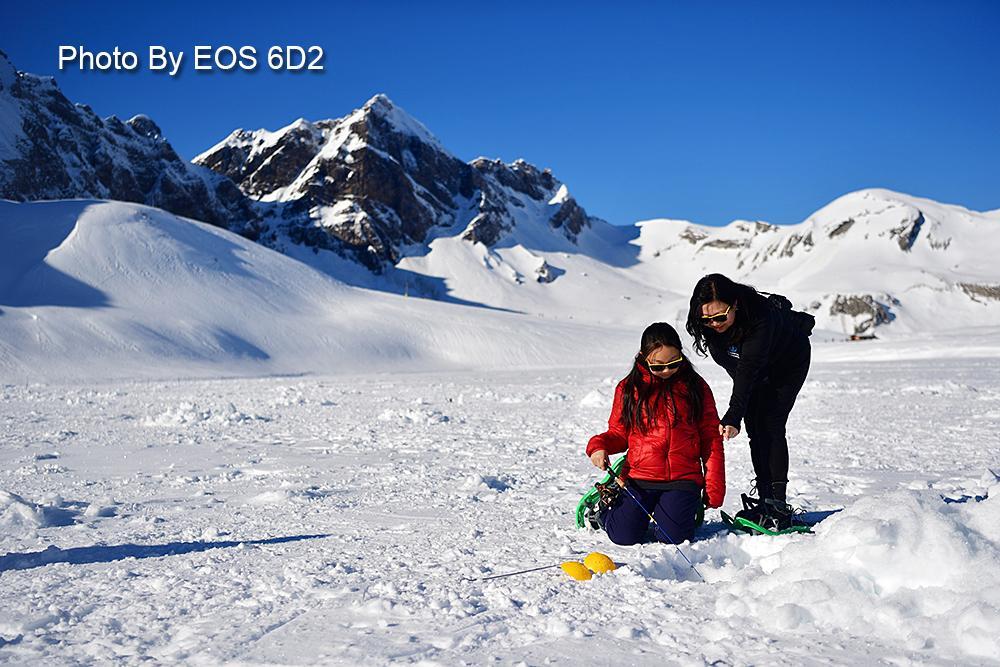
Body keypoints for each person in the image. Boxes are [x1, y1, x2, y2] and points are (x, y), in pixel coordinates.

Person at [685, 273, 813, 530]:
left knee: (771, 424)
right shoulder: (710, 326)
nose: (714, 324)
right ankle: (765, 497)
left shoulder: (760, 317)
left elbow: (749, 368)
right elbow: (740, 370)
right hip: (752, 369)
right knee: (755, 426)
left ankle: (777, 506)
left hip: (787, 363)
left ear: (735, 305)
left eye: (720, 317)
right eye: (706, 319)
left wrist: (734, 414)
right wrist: (743, 407)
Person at [586, 322, 725, 545]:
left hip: (683, 479)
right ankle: (604, 511)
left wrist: (713, 488)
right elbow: (618, 434)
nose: (667, 371)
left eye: (674, 363)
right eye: (658, 367)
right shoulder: (628, 388)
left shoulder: (696, 387)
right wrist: (598, 447)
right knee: (624, 536)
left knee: (674, 538)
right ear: (643, 357)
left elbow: (711, 439)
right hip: (639, 478)